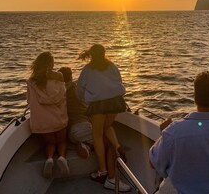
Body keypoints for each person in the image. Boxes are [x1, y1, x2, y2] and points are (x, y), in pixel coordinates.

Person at [58, 66, 131, 192]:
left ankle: (86, 145)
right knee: (109, 144)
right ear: (71, 76)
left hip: (71, 132)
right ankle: (111, 180)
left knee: (97, 139)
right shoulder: (80, 90)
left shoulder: (58, 92)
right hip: (83, 126)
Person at [77, 44, 128, 184]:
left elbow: (80, 88)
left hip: (98, 105)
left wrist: (83, 99)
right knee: (107, 126)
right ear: (104, 53)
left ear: (92, 54)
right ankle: (117, 146)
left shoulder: (87, 69)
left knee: (97, 135)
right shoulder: (112, 66)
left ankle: (102, 170)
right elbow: (119, 82)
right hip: (116, 102)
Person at [26, 51, 70, 178]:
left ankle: (49, 159)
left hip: (42, 121)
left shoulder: (31, 81)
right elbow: (62, 95)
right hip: (58, 117)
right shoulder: (59, 76)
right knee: (62, 141)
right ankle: (62, 158)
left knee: (50, 143)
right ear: (51, 64)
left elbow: (29, 100)